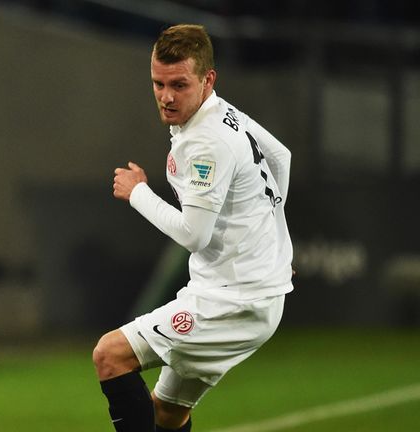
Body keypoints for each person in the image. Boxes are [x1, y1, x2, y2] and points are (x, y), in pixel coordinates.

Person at [92, 24, 293, 432]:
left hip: (234, 300)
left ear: (207, 79)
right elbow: (281, 158)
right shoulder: (223, 112)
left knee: (110, 355)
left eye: (179, 85)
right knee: (167, 413)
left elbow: (193, 235)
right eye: (158, 83)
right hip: (243, 292)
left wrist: (138, 193)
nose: (166, 96)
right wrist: (275, 250)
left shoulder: (206, 142)